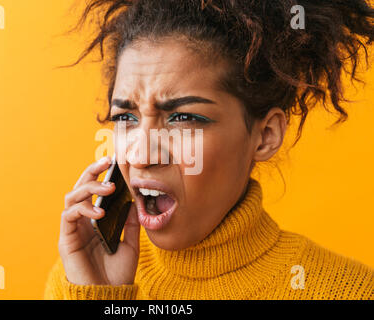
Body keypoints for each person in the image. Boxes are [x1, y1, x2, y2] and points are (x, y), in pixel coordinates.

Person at [44, 0, 374, 299]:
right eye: (125, 117)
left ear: (266, 135)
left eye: (183, 117)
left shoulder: (347, 292)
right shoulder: (80, 277)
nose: (140, 156)